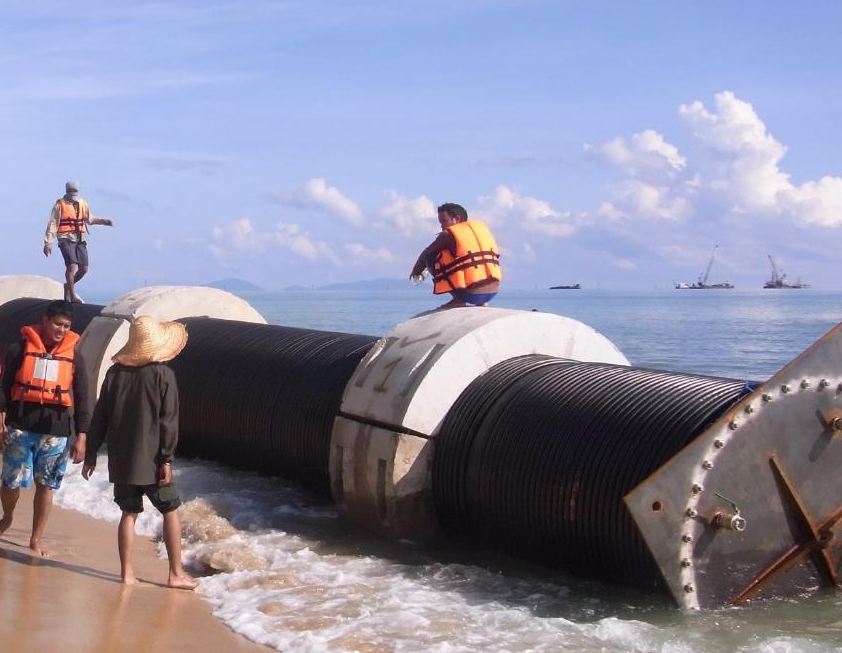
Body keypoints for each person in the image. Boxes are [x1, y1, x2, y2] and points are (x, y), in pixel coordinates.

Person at [82, 315, 197, 590]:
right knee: (170, 511)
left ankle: (126, 573)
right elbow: (168, 421)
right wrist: (166, 459)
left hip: (122, 460)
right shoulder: (163, 375)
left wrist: (91, 454)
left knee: (128, 513)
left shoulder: (114, 374)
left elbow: (100, 417)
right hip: (153, 460)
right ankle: (175, 572)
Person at [0, 300, 91, 556]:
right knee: (10, 484)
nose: (61, 329)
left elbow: (83, 398)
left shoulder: (75, 357)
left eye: (66, 326)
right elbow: (4, 387)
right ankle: (7, 517)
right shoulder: (18, 349)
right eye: (57, 324)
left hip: (56, 431)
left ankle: (35, 539)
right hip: (20, 426)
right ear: (45, 320)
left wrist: (82, 436)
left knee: (46, 485)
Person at [409, 202, 502, 309]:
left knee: (431, 258)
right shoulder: (481, 230)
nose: (442, 226)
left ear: (457, 219)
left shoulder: (448, 235)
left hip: (470, 294)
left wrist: (415, 272)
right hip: (493, 291)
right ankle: (481, 302)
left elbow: (426, 253)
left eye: (444, 221)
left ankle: (458, 300)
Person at [43, 180, 114, 303]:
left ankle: (68, 286)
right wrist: (48, 243)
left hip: (80, 238)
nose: (73, 198)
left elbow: (90, 219)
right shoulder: (60, 205)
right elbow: (53, 224)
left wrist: (103, 221)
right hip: (65, 238)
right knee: (71, 266)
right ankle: (73, 295)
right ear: (67, 192)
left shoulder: (82, 203)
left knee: (84, 269)